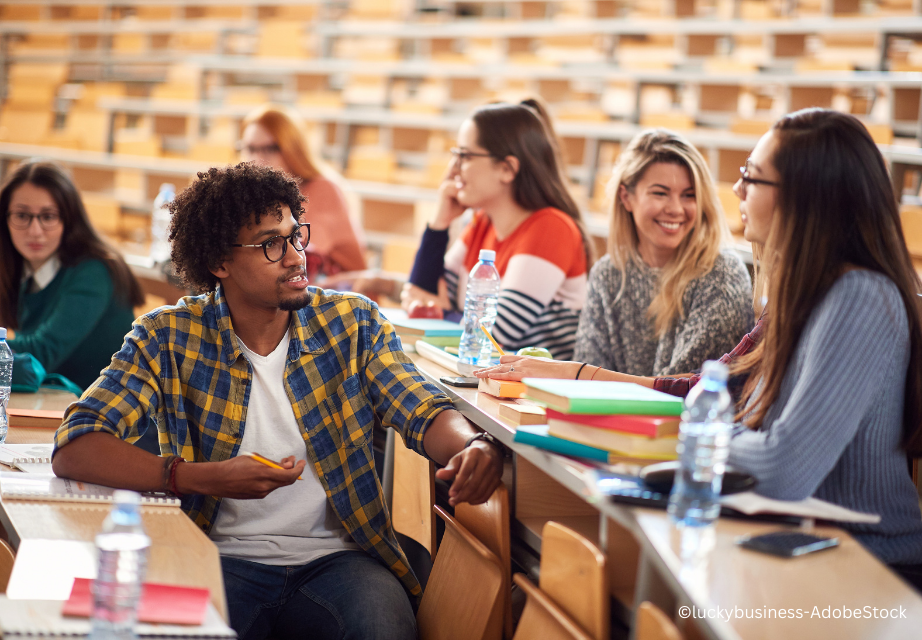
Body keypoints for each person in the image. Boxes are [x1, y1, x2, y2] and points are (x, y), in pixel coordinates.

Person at [51, 162, 504, 640]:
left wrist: (469, 446)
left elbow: (422, 408)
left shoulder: (352, 323)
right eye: (271, 244)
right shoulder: (167, 336)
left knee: (382, 628)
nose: (295, 257)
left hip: (340, 561)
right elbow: (76, 445)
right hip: (218, 556)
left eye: (295, 236)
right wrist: (201, 478)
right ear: (218, 263)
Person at [480, 109, 922, 582]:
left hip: (867, 565)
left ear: (803, 195)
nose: (736, 191)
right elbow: (714, 396)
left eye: (751, 177)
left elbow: (782, 466)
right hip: (789, 541)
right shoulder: (799, 294)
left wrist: (701, 427)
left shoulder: (859, 298)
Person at [401, 98, 593, 360]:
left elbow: (492, 337)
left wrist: (441, 313)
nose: (453, 169)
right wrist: (440, 223)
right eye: (455, 155)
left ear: (506, 169)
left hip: (534, 396)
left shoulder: (551, 227)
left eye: (465, 156)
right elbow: (421, 296)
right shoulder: (482, 222)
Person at [573, 129, 751, 377]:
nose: (676, 209)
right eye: (660, 193)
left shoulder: (721, 274)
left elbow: (680, 392)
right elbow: (585, 379)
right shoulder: (608, 272)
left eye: (689, 196)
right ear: (626, 197)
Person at [0, 161, 144, 389]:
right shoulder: (14, 266)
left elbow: (41, 352)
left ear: (69, 219)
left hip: (107, 416)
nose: (34, 231)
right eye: (21, 215)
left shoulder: (94, 270)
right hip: (55, 400)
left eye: (48, 217)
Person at [239, 104, 366, 280]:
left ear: (292, 149)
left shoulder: (323, 188)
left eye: (270, 149)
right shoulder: (262, 195)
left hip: (344, 297)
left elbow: (291, 253)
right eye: (250, 149)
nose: (257, 159)